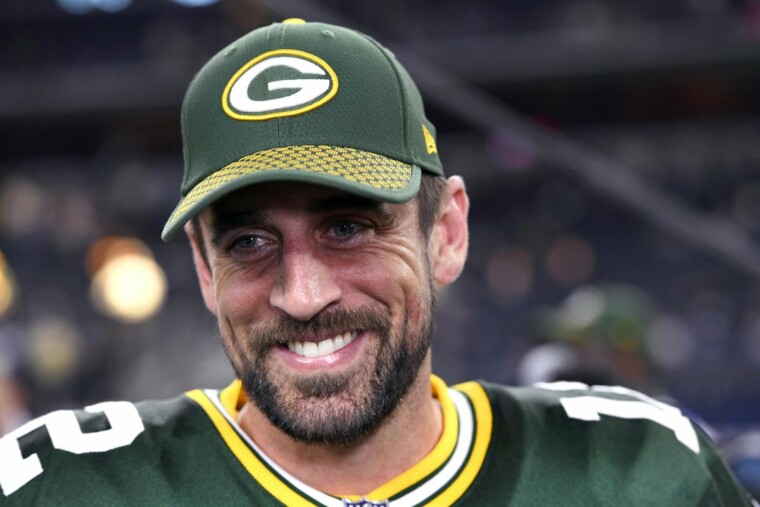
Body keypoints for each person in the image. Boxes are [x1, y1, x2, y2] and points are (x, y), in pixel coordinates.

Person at [0, 18, 755, 507]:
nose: (302, 294)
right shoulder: (61, 486)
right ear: (202, 265)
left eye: (348, 226)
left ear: (446, 232)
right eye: (249, 243)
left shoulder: (638, 472)